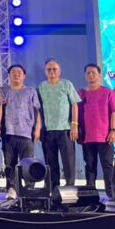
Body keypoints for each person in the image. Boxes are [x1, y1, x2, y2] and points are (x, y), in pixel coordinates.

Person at [0, 65, 42, 199]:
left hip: (26, 132)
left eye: (19, 72)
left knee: (28, 163)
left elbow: (37, 111)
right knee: (9, 163)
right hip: (9, 132)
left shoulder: (30, 91)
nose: (16, 74)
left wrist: (38, 129)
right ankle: (12, 188)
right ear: (9, 75)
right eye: (13, 72)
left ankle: (29, 188)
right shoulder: (3, 91)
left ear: (24, 76)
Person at [79, 64, 115, 197]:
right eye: (88, 73)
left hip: (105, 135)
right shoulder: (81, 94)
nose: (91, 75)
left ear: (99, 75)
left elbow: (114, 112)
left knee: (107, 165)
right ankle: (90, 195)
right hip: (87, 136)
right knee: (89, 165)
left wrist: (113, 130)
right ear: (85, 76)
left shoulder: (108, 92)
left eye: (93, 72)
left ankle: (111, 193)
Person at [37, 60, 81, 188]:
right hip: (48, 129)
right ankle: (53, 187)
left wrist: (74, 124)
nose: (52, 71)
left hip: (65, 129)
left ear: (59, 71)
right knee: (50, 160)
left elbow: (74, 104)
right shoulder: (41, 86)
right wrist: (39, 128)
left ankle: (70, 186)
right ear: (45, 71)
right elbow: (39, 108)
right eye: (49, 69)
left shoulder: (66, 84)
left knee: (68, 160)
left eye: (54, 69)